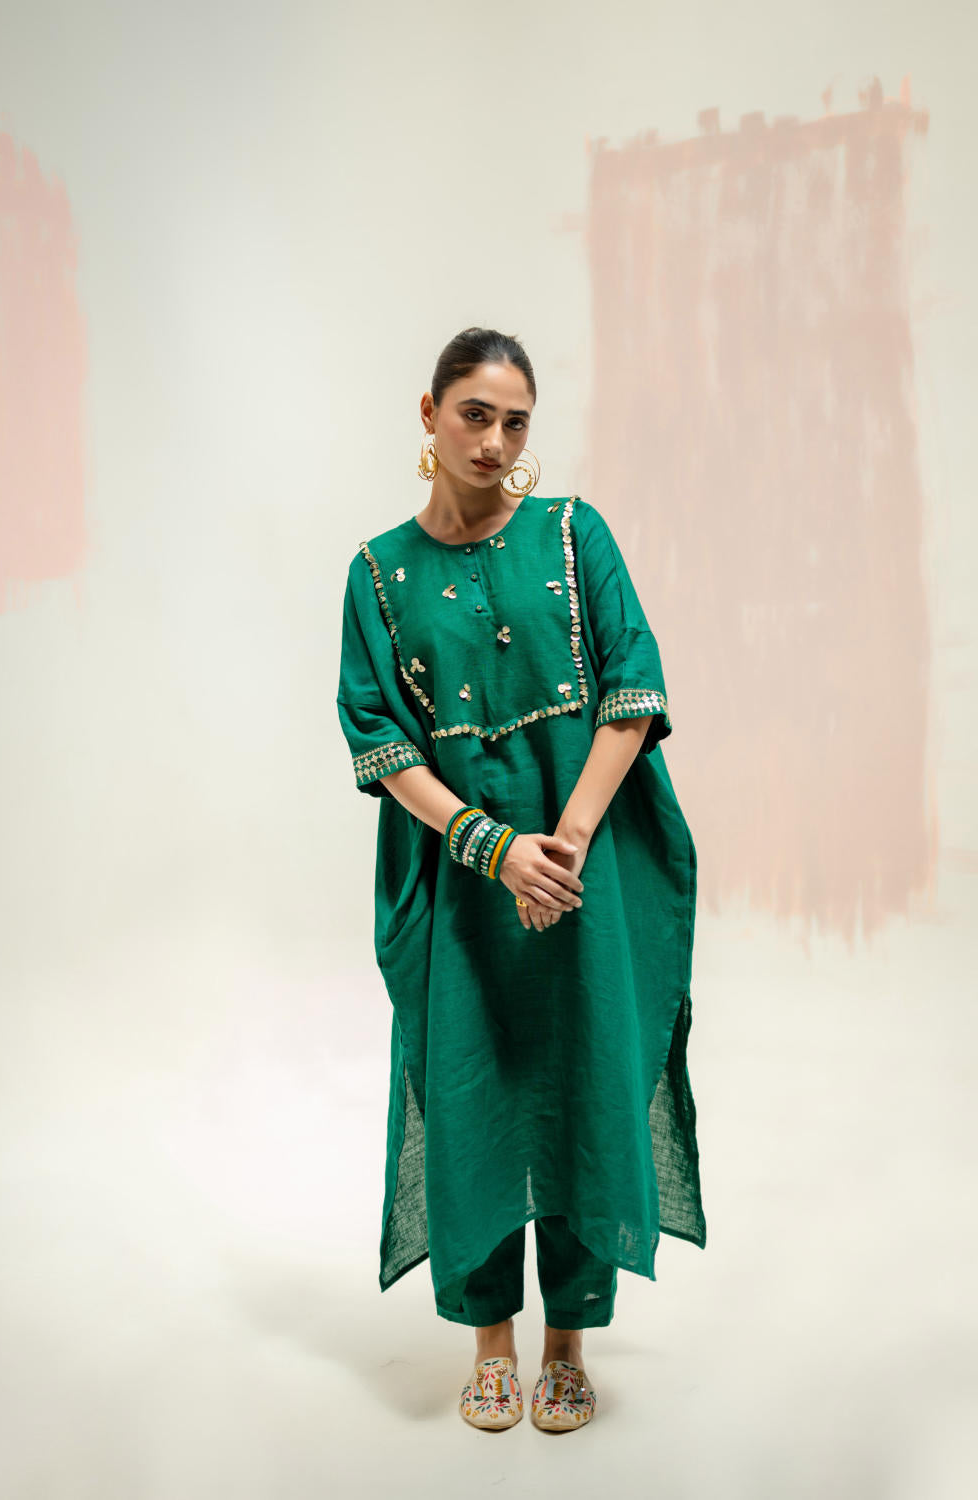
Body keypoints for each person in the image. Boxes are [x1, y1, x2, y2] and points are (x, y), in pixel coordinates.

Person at [336, 326, 706, 1433]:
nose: (495, 441)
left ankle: (569, 1341)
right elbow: (377, 738)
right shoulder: (377, 574)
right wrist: (493, 849)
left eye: (514, 422)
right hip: (461, 886)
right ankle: (491, 1340)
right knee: (473, 1086)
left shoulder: (574, 534)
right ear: (430, 414)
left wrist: (566, 843)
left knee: (587, 1079)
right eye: (475, 415)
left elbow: (633, 688)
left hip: (585, 876)